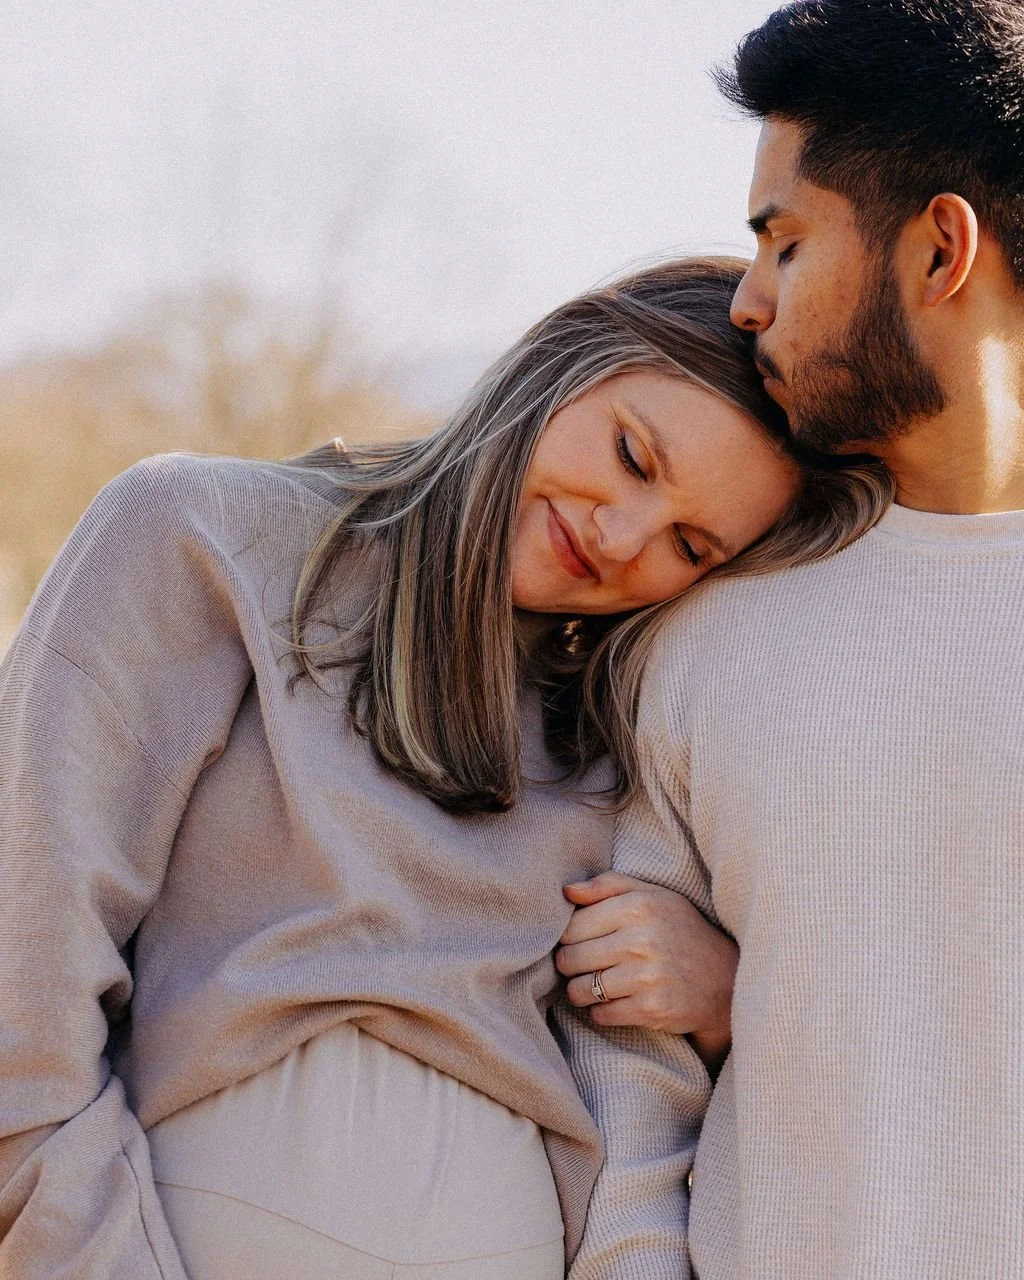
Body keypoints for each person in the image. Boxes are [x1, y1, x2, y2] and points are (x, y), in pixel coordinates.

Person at [0, 258, 887, 1280]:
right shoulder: (199, 536)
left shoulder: (623, 722)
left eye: (689, 545)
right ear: (563, 360)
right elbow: (28, 974)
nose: (619, 538)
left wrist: (729, 997)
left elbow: (688, 1108)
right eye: (632, 456)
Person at [557, 3, 1024, 1278]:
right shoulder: (703, 622)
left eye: (785, 242)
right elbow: (627, 1068)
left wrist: (749, 993)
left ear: (939, 252)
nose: (747, 300)